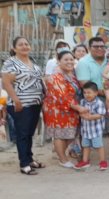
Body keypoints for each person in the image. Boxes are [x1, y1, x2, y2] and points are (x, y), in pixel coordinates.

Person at [76, 37, 109, 163]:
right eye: (95, 46)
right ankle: (85, 154)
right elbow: (83, 83)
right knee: (88, 126)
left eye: (102, 46)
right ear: (89, 47)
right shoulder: (83, 62)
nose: (99, 49)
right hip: (92, 99)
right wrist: (101, 91)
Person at [1, 37, 45, 175]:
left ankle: (30, 159)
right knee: (23, 134)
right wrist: (16, 100)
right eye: (20, 45)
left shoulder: (33, 61)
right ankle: (24, 164)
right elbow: (6, 83)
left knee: (29, 134)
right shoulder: (10, 62)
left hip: (35, 103)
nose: (24, 46)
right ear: (14, 48)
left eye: (26, 44)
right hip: (21, 104)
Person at [43, 51, 88, 168]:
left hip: (71, 110)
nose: (69, 62)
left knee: (70, 134)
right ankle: (62, 159)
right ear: (58, 61)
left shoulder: (72, 74)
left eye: (71, 59)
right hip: (57, 110)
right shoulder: (56, 76)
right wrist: (79, 107)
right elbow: (62, 96)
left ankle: (61, 154)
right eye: (66, 60)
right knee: (60, 135)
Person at [74, 82, 108, 170]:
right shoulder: (82, 101)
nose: (86, 95)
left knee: (98, 146)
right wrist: (83, 115)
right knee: (86, 146)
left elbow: (100, 114)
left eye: (89, 92)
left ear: (96, 93)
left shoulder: (99, 103)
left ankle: (103, 161)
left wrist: (90, 117)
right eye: (84, 93)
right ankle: (85, 161)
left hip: (96, 130)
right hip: (85, 129)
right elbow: (80, 112)